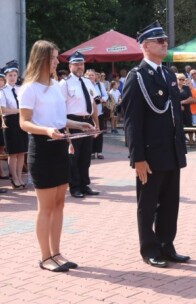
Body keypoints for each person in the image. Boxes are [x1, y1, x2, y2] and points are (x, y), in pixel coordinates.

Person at [19, 40, 94, 272]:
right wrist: (47, 131)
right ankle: (45, 257)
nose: (56, 62)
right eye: (52, 58)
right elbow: (24, 122)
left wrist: (79, 125)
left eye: (56, 57)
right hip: (42, 148)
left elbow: (59, 120)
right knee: (46, 207)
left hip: (60, 145)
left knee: (60, 204)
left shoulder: (54, 85)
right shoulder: (29, 88)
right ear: (41, 59)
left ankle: (57, 252)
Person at [123, 21, 189, 268]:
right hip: (150, 155)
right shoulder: (137, 77)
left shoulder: (168, 74)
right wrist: (137, 157)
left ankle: (166, 245)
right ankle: (149, 249)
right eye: (160, 41)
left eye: (165, 40)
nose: (165, 44)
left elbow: (175, 117)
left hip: (171, 151)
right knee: (148, 204)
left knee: (170, 202)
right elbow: (132, 122)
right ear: (146, 45)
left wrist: (180, 150)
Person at [59, 52, 100, 198]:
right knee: (73, 157)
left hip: (87, 120)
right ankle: (75, 187)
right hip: (73, 121)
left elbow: (93, 103)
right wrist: (66, 129)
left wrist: (96, 123)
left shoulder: (87, 81)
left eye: (81, 64)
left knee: (85, 156)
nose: (79, 67)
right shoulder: (64, 83)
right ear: (70, 66)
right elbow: (61, 107)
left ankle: (84, 184)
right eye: (76, 64)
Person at [0, 60, 29, 189]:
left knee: (22, 151)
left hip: (21, 120)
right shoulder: (3, 91)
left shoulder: (20, 89)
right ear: (5, 77)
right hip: (10, 121)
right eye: (10, 75)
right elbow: (3, 110)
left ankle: (20, 176)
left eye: (14, 75)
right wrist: (19, 110)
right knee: (13, 152)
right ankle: (14, 178)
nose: (12, 78)